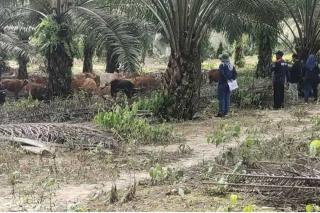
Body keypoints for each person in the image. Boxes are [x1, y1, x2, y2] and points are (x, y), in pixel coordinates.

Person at [215, 53, 237, 118]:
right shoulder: (231, 65)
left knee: (221, 98)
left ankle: (221, 112)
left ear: (223, 59)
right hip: (230, 84)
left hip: (222, 84)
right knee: (227, 97)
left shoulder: (222, 65)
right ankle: (226, 112)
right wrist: (232, 80)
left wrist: (227, 79)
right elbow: (235, 74)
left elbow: (222, 74)